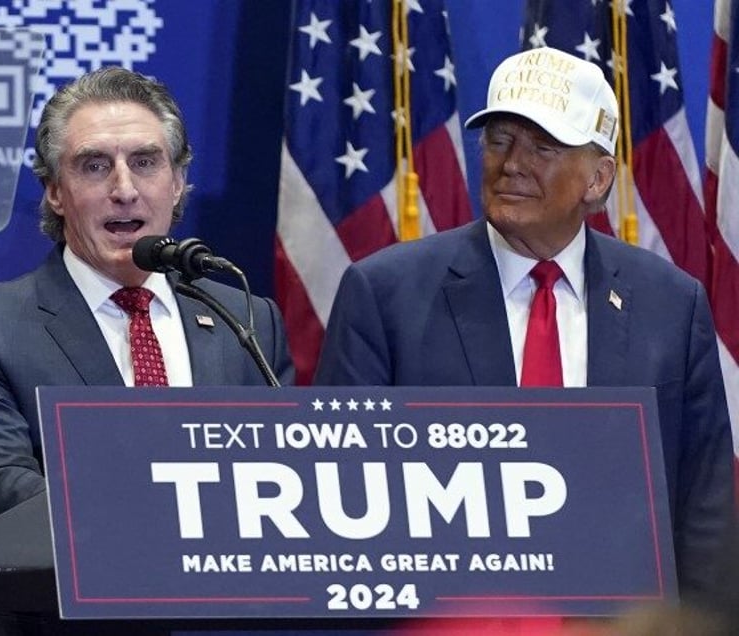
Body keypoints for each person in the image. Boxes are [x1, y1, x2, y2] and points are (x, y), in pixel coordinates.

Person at [314, 47, 734, 604]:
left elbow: (705, 509)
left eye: (544, 146)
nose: (512, 163)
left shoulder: (671, 305)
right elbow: (342, 489)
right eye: (499, 140)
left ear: (598, 178)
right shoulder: (385, 295)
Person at [0, 66, 294, 635]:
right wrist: (167, 526)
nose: (124, 187)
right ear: (54, 190)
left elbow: (285, 475)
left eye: (145, 162)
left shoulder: (244, 318)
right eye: (94, 166)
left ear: (176, 183)